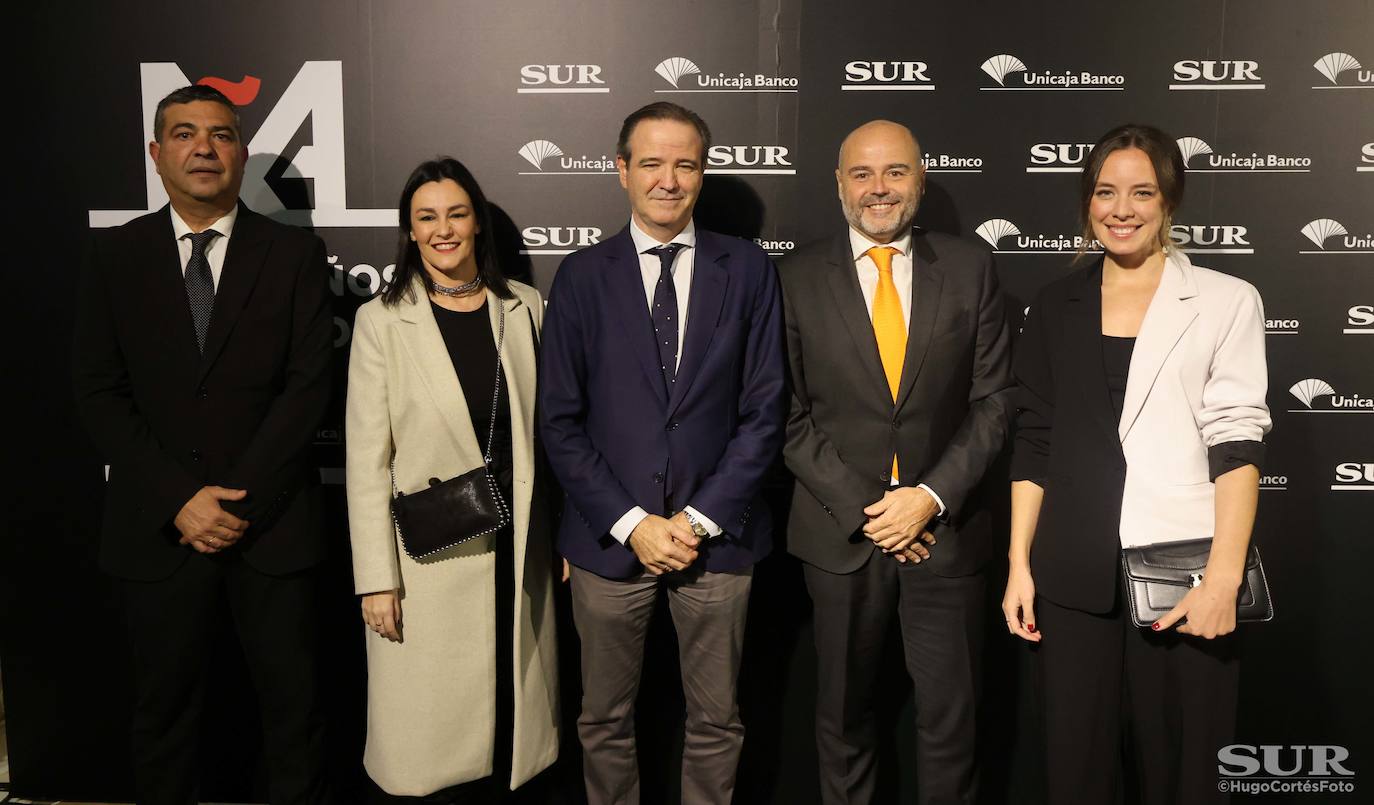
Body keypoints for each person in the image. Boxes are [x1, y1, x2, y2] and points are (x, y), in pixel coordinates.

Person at [72, 84, 333, 804]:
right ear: (157, 154)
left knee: (294, 716)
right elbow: (97, 391)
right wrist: (181, 499)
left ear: (241, 152)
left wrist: (234, 500)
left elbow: (309, 387)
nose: (204, 149)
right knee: (164, 716)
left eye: (220, 135)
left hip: (271, 526)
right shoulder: (115, 256)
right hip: (159, 530)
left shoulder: (294, 254)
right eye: (185, 134)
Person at [1003, 123, 1271, 805]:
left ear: (1169, 202)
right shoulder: (1054, 305)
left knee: (1185, 779)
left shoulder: (1225, 299)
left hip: (1185, 578)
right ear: (1086, 202)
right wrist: (1018, 565)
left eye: (1141, 192)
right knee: (1075, 778)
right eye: (1105, 192)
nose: (1121, 209)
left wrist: (1223, 579)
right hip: (1071, 580)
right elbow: (1034, 441)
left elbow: (1237, 448)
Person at [538, 101, 786, 805]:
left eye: (685, 164)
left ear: (702, 174)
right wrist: (633, 523)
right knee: (604, 718)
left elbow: (765, 411)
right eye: (652, 163)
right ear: (622, 171)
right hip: (610, 543)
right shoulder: (582, 276)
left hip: (720, 541)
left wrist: (698, 519)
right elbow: (559, 420)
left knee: (717, 719)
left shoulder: (748, 271)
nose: (668, 180)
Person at [779, 120, 1013, 805]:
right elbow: (784, 415)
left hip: (945, 535)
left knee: (951, 726)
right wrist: (872, 509)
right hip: (840, 538)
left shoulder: (970, 268)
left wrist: (928, 498)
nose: (878, 189)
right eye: (862, 174)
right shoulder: (792, 278)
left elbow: (994, 400)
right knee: (843, 721)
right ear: (839, 184)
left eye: (895, 172)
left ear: (919, 177)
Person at [345, 157, 559, 801]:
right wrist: (376, 580)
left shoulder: (524, 307)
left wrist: (565, 538)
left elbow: (551, 437)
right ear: (409, 232)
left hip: (521, 546)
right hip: (429, 555)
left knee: (511, 724)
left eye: (457, 214)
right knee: (432, 739)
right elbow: (365, 462)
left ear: (477, 223)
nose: (444, 230)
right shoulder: (381, 320)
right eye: (426, 217)